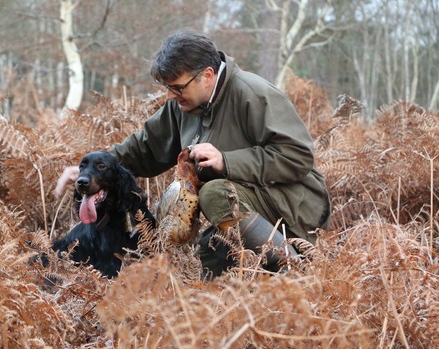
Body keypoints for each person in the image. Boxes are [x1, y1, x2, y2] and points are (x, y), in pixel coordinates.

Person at [55, 28, 331, 278]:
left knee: (216, 194)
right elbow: (145, 147)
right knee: (210, 251)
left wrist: (227, 161)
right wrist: (92, 170)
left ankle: (299, 272)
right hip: (245, 200)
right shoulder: (184, 104)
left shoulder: (253, 94)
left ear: (207, 75)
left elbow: (297, 156)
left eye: (177, 87)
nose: (170, 96)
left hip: (293, 204)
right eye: (166, 88)